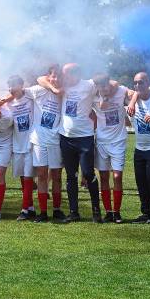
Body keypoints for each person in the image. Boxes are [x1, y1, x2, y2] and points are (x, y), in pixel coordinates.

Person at [44, 63, 101, 223]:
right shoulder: (62, 86)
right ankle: (74, 213)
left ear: (75, 73)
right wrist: (55, 89)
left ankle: (96, 212)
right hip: (66, 138)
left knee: (88, 174)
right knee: (71, 176)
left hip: (85, 138)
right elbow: (41, 78)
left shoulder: (89, 85)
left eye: (65, 73)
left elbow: (111, 83)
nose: (62, 77)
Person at [25, 65, 65, 223]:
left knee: (56, 176)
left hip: (56, 140)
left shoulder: (66, 91)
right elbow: (20, 92)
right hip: (39, 139)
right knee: (41, 175)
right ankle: (42, 212)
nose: (56, 79)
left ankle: (56, 209)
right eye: (53, 76)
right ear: (48, 76)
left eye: (58, 76)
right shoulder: (38, 89)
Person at [92, 73, 129, 223]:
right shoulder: (93, 97)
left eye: (106, 85)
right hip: (101, 141)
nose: (104, 88)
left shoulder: (120, 91)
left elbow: (133, 93)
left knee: (117, 176)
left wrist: (131, 103)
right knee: (104, 177)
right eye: (101, 86)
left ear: (109, 84)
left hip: (118, 141)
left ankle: (117, 211)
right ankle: (108, 211)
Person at [129, 72, 150, 223]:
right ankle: (146, 212)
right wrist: (132, 101)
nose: (138, 85)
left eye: (141, 82)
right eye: (135, 83)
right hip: (139, 148)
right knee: (141, 181)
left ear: (148, 82)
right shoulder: (133, 100)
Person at [3, 75, 37, 221]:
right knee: (23, 176)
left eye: (14, 85)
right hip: (17, 144)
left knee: (28, 176)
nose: (11, 88)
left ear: (22, 85)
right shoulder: (8, 104)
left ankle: (24, 209)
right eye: (9, 85)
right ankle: (30, 208)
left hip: (30, 143)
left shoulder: (31, 97)